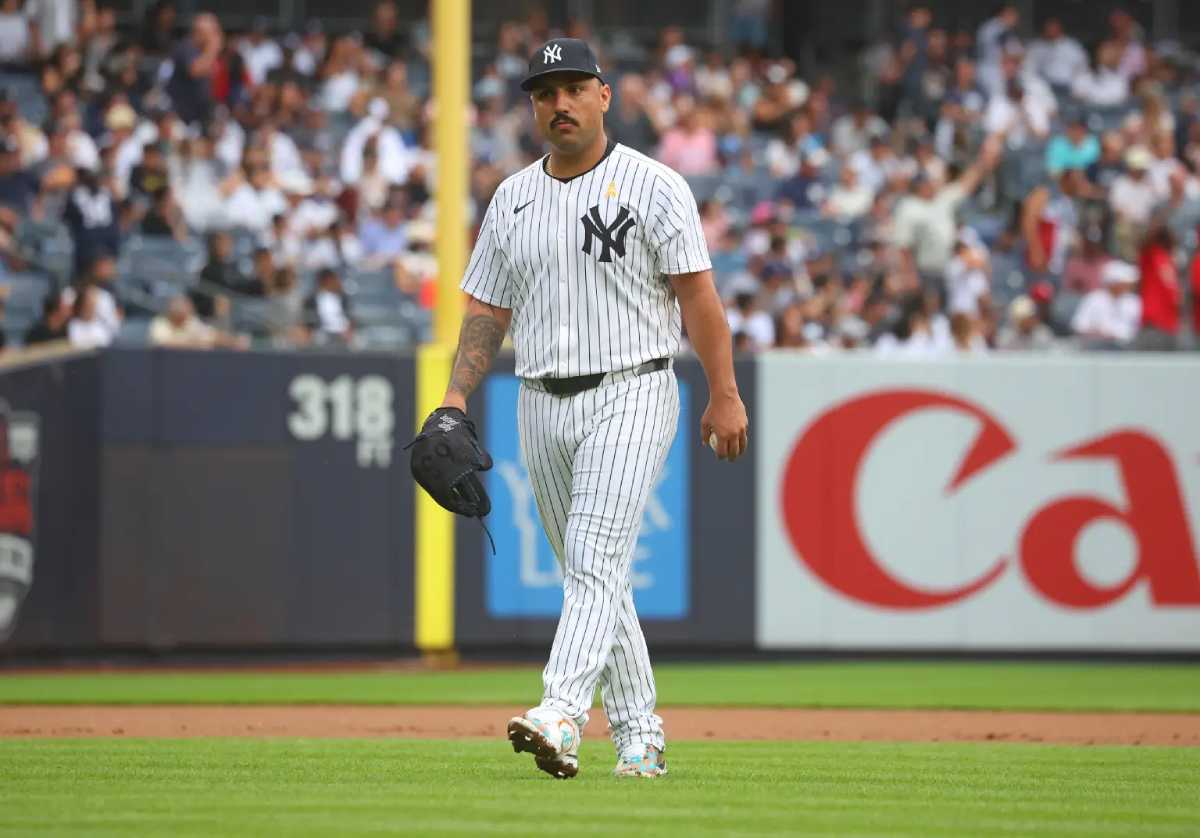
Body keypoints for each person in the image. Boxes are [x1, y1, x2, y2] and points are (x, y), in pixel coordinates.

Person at [432, 38, 746, 780]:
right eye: (546, 92)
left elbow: (698, 296)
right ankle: (640, 737)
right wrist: (453, 397)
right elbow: (486, 311)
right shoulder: (512, 198)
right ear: (533, 106)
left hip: (634, 385)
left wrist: (723, 391)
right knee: (593, 571)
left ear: (605, 95)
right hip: (539, 399)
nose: (560, 103)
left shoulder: (655, 184)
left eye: (574, 88)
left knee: (596, 558)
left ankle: (561, 711)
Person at [1071, 260, 1141, 348]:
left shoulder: (1133, 301)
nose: (1129, 285)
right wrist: (1100, 334)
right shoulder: (1093, 299)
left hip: (1128, 348)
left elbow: (1137, 329)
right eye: (1124, 282)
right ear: (1114, 283)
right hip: (1098, 348)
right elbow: (1079, 326)